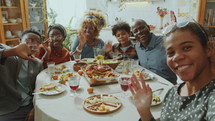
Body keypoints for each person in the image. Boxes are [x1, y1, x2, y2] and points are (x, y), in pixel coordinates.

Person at [130, 21, 215, 121]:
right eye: (170, 53)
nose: (177, 57)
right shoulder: (173, 92)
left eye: (187, 47)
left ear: (208, 49)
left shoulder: (211, 97)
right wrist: (144, 112)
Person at [0, 29, 43, 121]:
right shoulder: (8, 54)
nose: (33, 44)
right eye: (29, 40)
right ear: (20, 41)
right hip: (6, 108)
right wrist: (12, 52)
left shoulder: (37, 63)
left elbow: (40, 89)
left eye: (37, 42)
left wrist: (35, 108)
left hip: (28, 105)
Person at [132, 19, 177, 84]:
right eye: (135, 31)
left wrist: (175, 30)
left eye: (142, 28)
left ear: (148, 27)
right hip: (147, 83)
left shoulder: (165, 41)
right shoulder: (137, 47)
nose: (139, 32)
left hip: (168, 84)